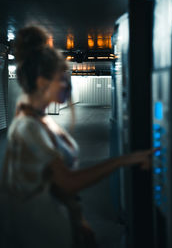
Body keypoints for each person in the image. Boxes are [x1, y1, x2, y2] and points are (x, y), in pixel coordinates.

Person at [1, 26, 154, 248]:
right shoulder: (29, 128)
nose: (68, 85)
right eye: (63, 79)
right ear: (43, 82)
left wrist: (77, 218)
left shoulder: (41, 121)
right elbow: (68, 182)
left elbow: (54, 185)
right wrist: (124, 160)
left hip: (59, 228)